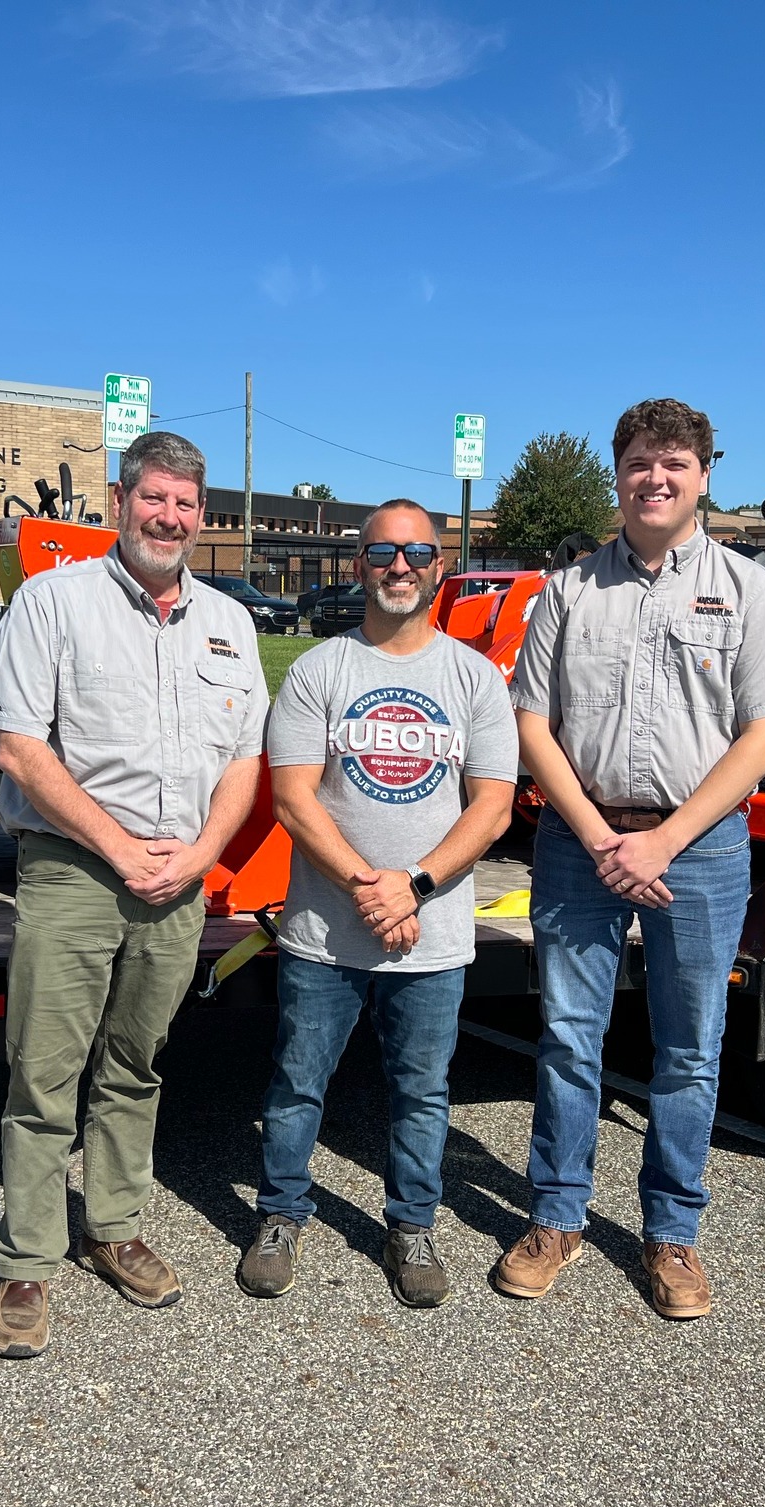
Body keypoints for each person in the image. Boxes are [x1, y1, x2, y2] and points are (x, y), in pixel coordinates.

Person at [496, 399, 765, 1320]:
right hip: (577, 842)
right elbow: (529, 725)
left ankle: (672, 1235)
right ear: (618, 475)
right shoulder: (570, 591)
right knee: (566, 1037)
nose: (655, 478)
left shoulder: (748, 589)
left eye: (674, 462)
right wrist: (598, 836)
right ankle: (557, 1217)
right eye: (638, 462)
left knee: (689, 1051)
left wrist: (663, 841)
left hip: (699, 846)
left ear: (706, 475)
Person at [0, 431, 266, 1358]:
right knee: (45, 1072)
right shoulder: (52, 605)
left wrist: (202, 857)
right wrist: (120, 847)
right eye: (154, 499)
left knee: (137, 1064)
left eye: (186, 504)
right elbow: (20, 746)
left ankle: (114, 1228)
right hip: (74, 872)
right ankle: (25, 1264)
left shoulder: (229, 621)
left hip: (178, 881)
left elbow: (246, 760)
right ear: (120, 500)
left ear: (201, 517)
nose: (169, 517)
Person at [238, 500, 518, 1308]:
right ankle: (283, 1214)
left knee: (422, 1092)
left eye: (418, 552)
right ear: (358, 564)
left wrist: (415, 884)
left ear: (439, 566)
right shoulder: (322, 670)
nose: (401, 566)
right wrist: (372, 884)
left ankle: (412, 1226)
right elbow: (294, 798)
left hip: (429, 938)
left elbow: (493, 806)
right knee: (297, 1084)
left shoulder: (472, 679)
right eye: (383, 552)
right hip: (326, 933)